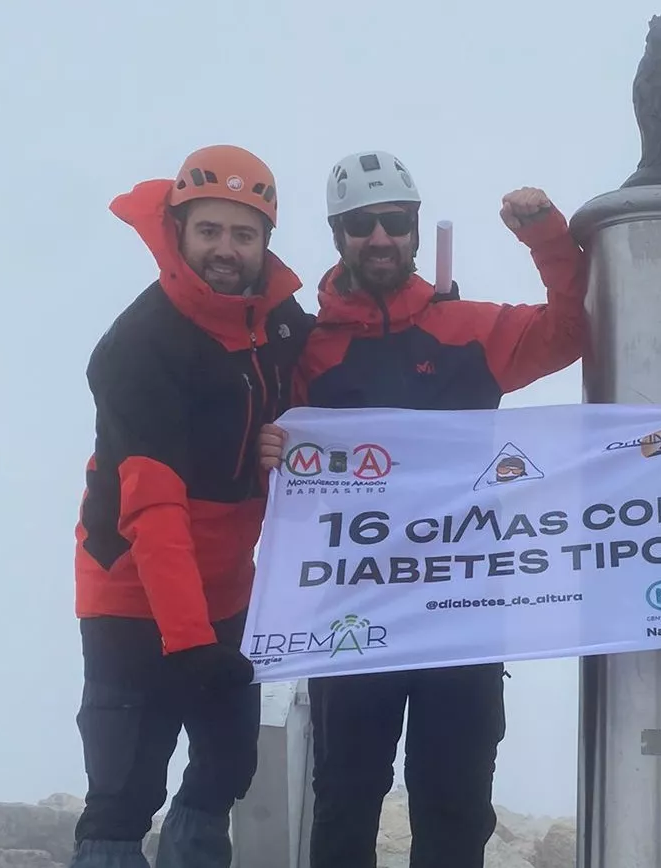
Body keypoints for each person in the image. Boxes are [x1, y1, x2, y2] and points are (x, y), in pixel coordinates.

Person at [256, 149, 589, 868]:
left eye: (395, 222)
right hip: (352, 615)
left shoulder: (466, 326)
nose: (380, 238)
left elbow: (570, 330)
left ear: (413, 227)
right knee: (345, 800)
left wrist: (547, 239)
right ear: (338, 232)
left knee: (454, 806)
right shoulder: (309, 351)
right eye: (361, 224)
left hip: (462, 612)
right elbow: (259, 441)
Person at [70, 144, 312, 868]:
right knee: (125, 784)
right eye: (209, 231)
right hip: (132, 589)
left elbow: (311, 412)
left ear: (266, 241)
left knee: (227, 762)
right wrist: (189, 642)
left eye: (244, 234)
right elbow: (153, 509)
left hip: (228, 584)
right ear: (178, 231)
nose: (225, 251)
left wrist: (286, 438)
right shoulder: (140, 345)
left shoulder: (280, 323)